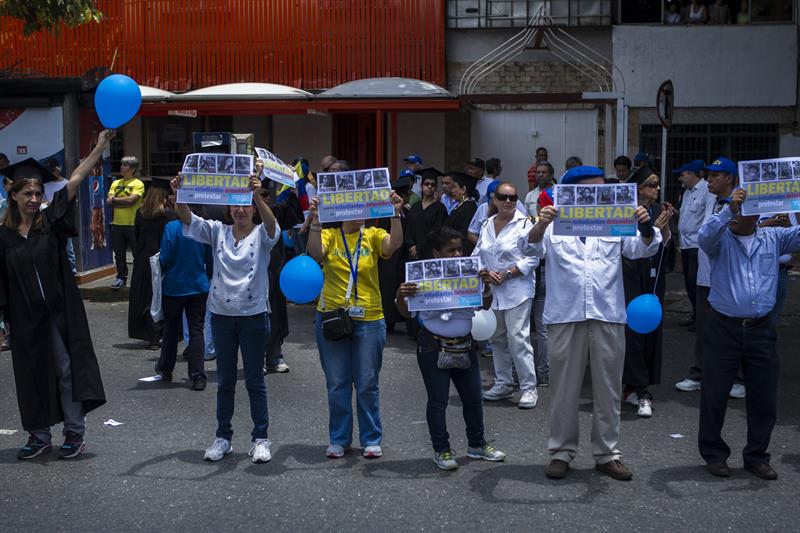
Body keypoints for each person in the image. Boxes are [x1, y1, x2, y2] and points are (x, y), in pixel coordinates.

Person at [525, 165, 661, 481]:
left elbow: (641, 248)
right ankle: (561, 452)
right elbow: (529, 248)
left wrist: (644, 225)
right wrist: (541, 225)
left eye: (604, 189)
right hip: (565, 314)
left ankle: (607, 454)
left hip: (607, 313)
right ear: (573, 191)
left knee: (609, 388)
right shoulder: (554, 221)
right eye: (594, 189)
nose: (602, 195)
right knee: (563, 390)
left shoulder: (613, 219)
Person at [0, 130, 112, 460]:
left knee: (66, 369)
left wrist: (98, 149)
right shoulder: (3, 237)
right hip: (23, 318)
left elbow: (73, 181)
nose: (34, 198)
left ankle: (74, 433)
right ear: (14, 195)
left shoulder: (49, 223)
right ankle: (39, 435)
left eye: (37, 192)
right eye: (28, 193)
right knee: (31, 373)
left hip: (59, 313)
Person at [172, 172, 280, 464]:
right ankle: (223, 437)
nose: (241, 210)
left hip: (254, 315)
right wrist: (179, 193)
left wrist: (257, 194)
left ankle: (261, 438)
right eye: (235, 205)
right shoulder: (218, 230)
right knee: (225, 381)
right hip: (221, 315)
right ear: (228, 209)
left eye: (246, 204)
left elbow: (272, 227)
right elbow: (187, 219)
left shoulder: (262, 235)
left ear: (253, 208)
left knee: (255, 380)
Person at [697, 187, 800, 480]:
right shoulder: (720, 240)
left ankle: (757, 456)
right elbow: (704, 236)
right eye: (732, 209)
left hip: (761, 329)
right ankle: (714, 455)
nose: (734, 213)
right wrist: (729, 209)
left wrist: (796, 204)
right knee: (715, 394)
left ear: (755, 215)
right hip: (723, 327)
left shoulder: (773, 237)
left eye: (740, 210)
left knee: (764, 396)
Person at [395, 226, 506, 470]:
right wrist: (400, 295)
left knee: (473, 399)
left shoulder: (470, 273)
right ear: (436, 253)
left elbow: (484, 306)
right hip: (432, 346)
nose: (457, 254)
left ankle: (477, 444)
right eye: (450, 250)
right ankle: (442, 450)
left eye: (459, 249)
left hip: (465, 345)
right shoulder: (421, 277)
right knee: (438, 400)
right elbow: (406, 313)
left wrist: (486, 286)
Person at [307, 188, 404, 460]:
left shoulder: (372, 235)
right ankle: (339, 439)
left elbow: (392, 245)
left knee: (367, 382)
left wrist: (395, 215)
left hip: (370, 318)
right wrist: (315, 221)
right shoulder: (331, 235)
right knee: (337, 382)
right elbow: (314, 254)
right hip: (332, 316)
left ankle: (371, 438)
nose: (359, 212)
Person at [675, 158, 745, 399]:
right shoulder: (712, 198)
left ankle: (734, 377)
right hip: (706, 275)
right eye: (709, 175)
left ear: (728, 177)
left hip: (728, 278)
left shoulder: (740, 202)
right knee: (705, 328)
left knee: (729, 330)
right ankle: (699, 373)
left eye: (715, 176)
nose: (709, 180)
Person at [473, 182, 540, 409]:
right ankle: (503, 383)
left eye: (512, 197)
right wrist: (482, 271)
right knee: (497, 337)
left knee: (518, 338)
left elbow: (534, 257)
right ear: (494, 199)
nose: (508, 202)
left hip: (517, 289)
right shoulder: (487, 224)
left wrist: (509, 272)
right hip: (493, 290)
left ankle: (528, 388)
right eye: (503, 197)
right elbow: (478, 253)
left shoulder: (525, 224)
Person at [621, 167, 676, 418]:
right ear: (638, 188)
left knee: (650, 330)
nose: (657, 189)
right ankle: (636, 388)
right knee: (631, 332)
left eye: (657, 184)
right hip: (630, 274)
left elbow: (666, 248)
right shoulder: (624, 211)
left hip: (654, 276)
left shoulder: (660, 211)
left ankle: (642, 387)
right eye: (651, 185)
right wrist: (649, 229)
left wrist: (663, 230)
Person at [154, 204, 212, 390]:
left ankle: (165, 369)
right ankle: (197, 375)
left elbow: (165, 257)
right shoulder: (204, 228)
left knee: (171, 329)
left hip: (173, 286)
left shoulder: (171, 227)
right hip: (198, 286)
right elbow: (210, 260)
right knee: (197, 330)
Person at [129, 179, 176, 349]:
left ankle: (150, 335)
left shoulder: (140, 214)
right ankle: (160, 333)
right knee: (159, 298)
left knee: (145, 297)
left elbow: (136, 236)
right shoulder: (168, 215)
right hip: (161, 259)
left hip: (142, 260)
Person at [370, 173, 412, 334]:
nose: (407, 198)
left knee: (398, 285)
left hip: (401, 257)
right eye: (405, 195)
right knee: (387, 286)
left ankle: (397, 317)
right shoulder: (386, 213)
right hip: (388, 256)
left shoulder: (407, 212)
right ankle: (387, 319)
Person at [674, 160, 712, 330]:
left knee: (697, 283)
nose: (680, 178)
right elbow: (687, 217)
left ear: (692, 174)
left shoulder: (707, 190)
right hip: (685, 245)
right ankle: (696, 315)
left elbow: (707, 217)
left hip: (697, 245)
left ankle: (702, 319)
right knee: (689, 283)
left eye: (683, 174)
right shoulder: (687, 192)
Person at [107, 156, 145, 289]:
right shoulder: (115, 183)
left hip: (133, 224)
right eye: (121, 164)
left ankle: (139, 278)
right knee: (119, 254)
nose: (121, 167)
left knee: (137, 253)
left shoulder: (138, 183)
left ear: (132, 169)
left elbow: (132, 201)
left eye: (125, 165)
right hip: (117, 224)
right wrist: (122, 202)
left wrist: (116, 201)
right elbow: (108, 201)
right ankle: (121, 278)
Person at [406, 168, 447, 261]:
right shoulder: (415, 207)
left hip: (430, 253)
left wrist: (419, 247)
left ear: (436, 187)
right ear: (421, 186)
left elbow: (437, 232)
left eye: (432, 185)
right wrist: (412, 246)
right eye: (426, 184)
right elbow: (408, 229)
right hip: (412, 253)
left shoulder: (440, 208)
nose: (429, 186)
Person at [443, 172, 479, 255]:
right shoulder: (460, 205)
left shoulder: (470, 207)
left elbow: (464, 234)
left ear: (463, 189)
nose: (452, 191)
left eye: (455, 187)